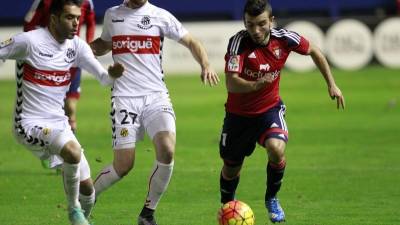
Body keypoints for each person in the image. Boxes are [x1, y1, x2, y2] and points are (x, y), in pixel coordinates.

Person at [90, 0, 219, 224]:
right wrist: (82, 49)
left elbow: (191, 41)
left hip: (156, 96)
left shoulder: (160, 16)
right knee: (123, 165)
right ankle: (86, 199)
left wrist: (205, 64)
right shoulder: (113, 15)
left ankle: (148, 213)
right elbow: (105, 43)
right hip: (124, 99)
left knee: (167, 149)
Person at [218, 0, 345, 223]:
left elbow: (314, 51)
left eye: (261, 24)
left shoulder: (285, 39)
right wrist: (257, 84)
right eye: (250, 24)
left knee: (276, 149)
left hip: (269, 110)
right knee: (230, 168)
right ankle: (227, 207)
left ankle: (272, 198)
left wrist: (332, 84)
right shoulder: (238, 42)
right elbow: (231, 84)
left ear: (271, 21)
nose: (255, 31)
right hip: (238, 117)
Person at [0, 0, 124, 224]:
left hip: (59, 124)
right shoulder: (29, 41)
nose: (76, 23)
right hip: (28, 124)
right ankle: (73, 209)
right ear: (54, 19)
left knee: (89, 191)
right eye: (69, 17)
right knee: (73, 152)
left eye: (78, 17)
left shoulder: (77, 46)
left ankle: (81, 215)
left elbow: (104, 79)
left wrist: (113, 74)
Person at [24, 0, 96, 133]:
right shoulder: (45, 2)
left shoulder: (86, 3)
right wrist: (34, 46)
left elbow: (91, 23)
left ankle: (69, 139)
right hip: (47, 61)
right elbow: (29, 22)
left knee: (70, 107)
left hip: (71, 59)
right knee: (49, 107)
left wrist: (89, 44)